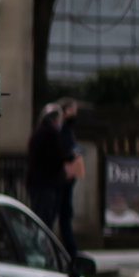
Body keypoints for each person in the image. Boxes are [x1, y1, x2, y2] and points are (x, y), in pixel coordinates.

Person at [25, 104, 71, 249]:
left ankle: (36, 248)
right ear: (55, 120)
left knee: (38, 218)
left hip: (36, 183)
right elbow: (56, 158)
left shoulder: (37, 132)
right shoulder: (50, 134)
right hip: (46, 184)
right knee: (44, 222)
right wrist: (69, 157)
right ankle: (40, 250)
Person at [53, 98, 85, 262]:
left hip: (67, 180)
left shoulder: (69, 131)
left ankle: (70, 250)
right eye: (71, 112)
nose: (74, 116)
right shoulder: (60, 131)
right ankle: (68, 251)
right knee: (58, 216)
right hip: (60, 181)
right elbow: (59, 154)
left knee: (65, 215)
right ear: (64, 113)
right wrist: (71, 155)